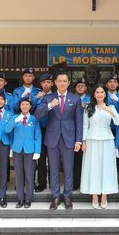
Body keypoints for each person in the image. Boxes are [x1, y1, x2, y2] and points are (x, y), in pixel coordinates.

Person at [35, 71, 83, 210]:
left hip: (69, 138)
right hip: (52, 138)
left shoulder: (75, 99)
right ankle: (55, 196)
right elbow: (37, 114)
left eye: (64, 81)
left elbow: (78, 122)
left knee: (69, 169)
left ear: (68, 83)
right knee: (53, 169)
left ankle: (67, 196)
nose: (62, 83)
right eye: (59, 81)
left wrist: (78, 140)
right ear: (55, 83)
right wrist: (50, 105)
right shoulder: (48, 97)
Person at [81, 84, 119, 209]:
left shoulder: (111, 107)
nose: (99, 94)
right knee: (93, 166)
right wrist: (83, 141)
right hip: (91, 139)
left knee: (106, 166)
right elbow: (85, 126)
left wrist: (112, 113)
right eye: (97, 92)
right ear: (94, 94)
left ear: (105, 94)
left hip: (107, 139)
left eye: (102, 92)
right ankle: (94, 194)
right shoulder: (88, 107)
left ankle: (104, 194)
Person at [6, 97, 41, 208]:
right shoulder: (14, 117)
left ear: (30, 107)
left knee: (29, 175)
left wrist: (37, 151)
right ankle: (20, 199)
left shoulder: (34, 119)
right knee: (19, 175)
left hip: (30, 150)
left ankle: (28, 199)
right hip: (17, 150)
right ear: (20, 106)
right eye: (23, 104)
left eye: (27, 104)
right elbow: (8, 131)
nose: (25, 106)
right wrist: (11, 148)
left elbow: (38, 136)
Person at [34, 73, 54, 192]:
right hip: (39, 129)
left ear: (52, 84)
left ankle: (53, 182)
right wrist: (37, 98)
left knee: (52, 158)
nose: (46, 84)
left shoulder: (56, 96)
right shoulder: (37, 95)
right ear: (40, 84)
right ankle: (41, 183)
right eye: (44, 82)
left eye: (48, 82)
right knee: (41, 158)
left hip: (52, 129)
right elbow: (31, 109)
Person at [73, 77, 90, 191]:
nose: (80, 87)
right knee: (76, 159)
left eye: (82, 85)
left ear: (86, 88)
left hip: (89, 132)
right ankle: (76, 181)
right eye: (78, 85)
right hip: (74, 131)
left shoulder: (91, 99)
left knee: (88, 159)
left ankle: (87, 181)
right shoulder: (72, 98)